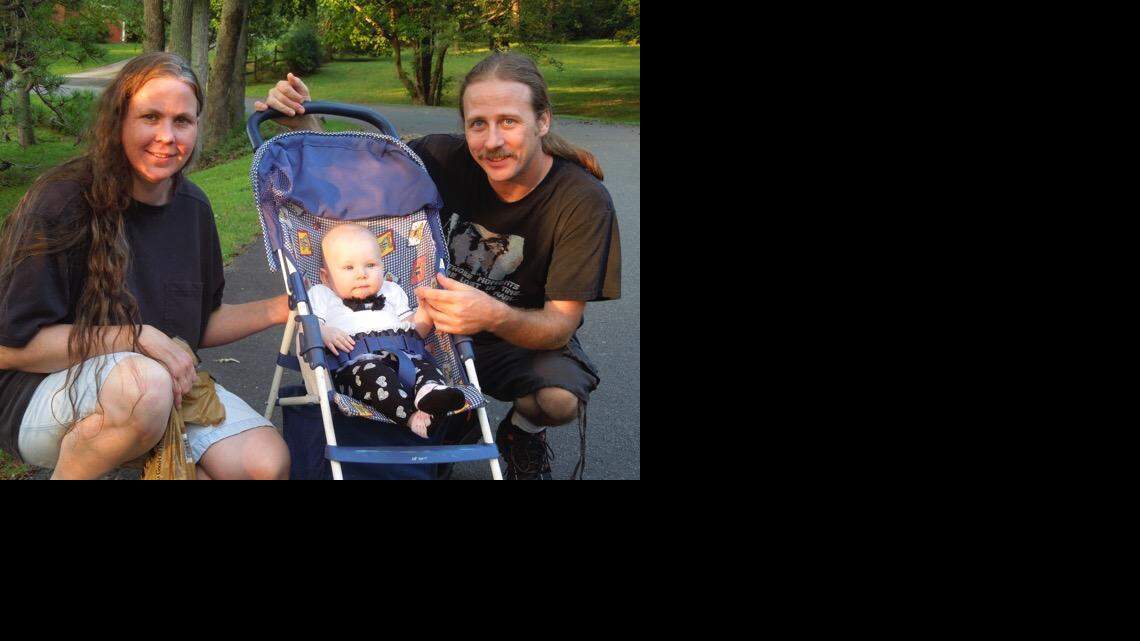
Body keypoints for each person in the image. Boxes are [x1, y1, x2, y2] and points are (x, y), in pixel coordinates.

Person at [256, 52, 621, 480]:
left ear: (542, 121)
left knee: (558, 399)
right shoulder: (440, 159)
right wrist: (304, 125)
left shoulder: (581, 201)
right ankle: (454, 417)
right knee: (397, 375)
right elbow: (352, 192)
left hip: (515, 334)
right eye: (477, 123)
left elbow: (559, 326)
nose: (492, 142)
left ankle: (521, 433)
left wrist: (493, 313)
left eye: (509, 121)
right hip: (428, 333)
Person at [0, 52, 292, 480]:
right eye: (150, 117)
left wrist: (286, 307)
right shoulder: (61, 201)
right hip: (39, 396)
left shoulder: (193, 208)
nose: (166, 136)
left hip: (160, 392)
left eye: (182, 121)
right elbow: (9, 347)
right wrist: (135, 338)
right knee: (143, 390)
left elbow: (199, 324)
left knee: (265, 465)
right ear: (119, 121)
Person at [310, 223, 467, 438]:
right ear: (326, 276)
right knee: (374, 374)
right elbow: (306, 325)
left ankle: (429, 394)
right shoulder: (322, 294)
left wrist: (426, 310)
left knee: (427, 365)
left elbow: (415, 332)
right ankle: (410, 417)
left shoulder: (392, 291)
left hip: (405, 356)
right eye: (349, 268)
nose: (362, 274)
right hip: (355, 366)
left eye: (371, 265)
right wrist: (322, 331)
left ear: (383, 267)